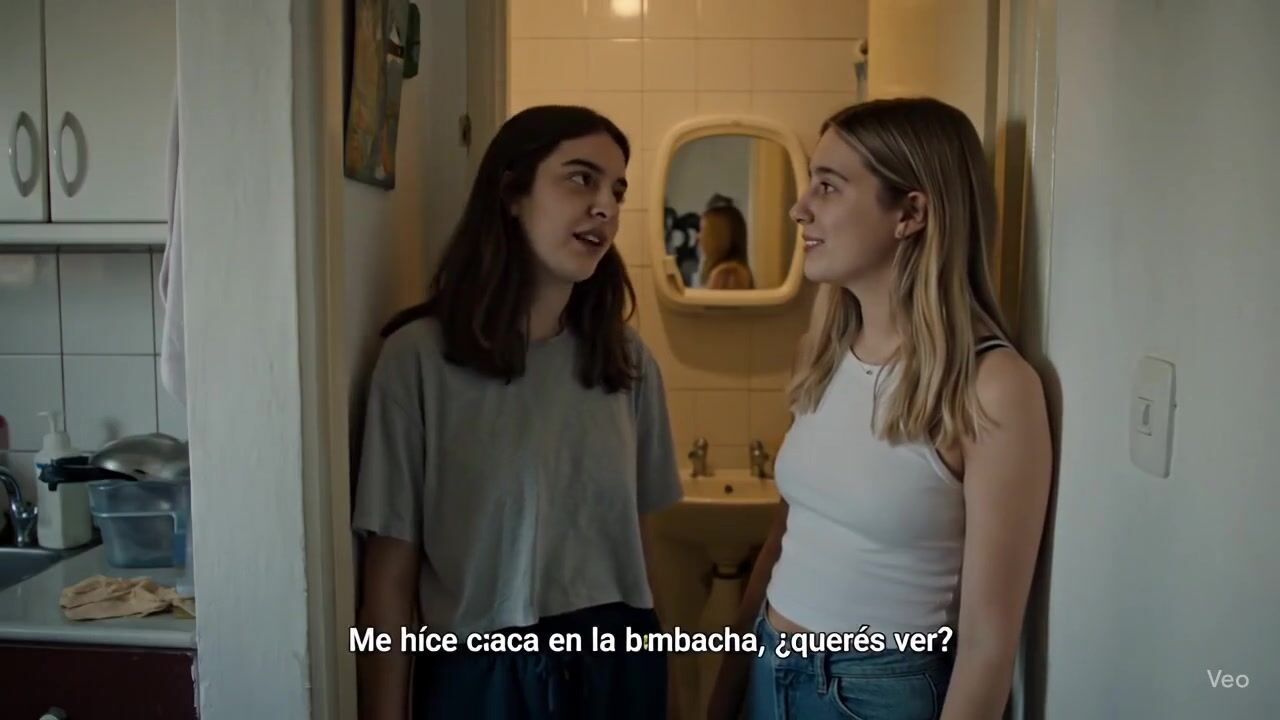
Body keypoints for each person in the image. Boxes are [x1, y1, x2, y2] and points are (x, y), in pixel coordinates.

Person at [708, 98, 1052, 720]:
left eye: (828, 186)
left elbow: (988, 645)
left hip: (873, 694)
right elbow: (785, 537)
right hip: (768, 664)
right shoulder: (822, 355)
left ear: (911, 213)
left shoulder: (993, 385)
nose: (799, 208)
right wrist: (727, 688)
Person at [351, 105, 683, 720]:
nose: (606, 207)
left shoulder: (625, 360)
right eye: (581, 179)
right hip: (482, 673)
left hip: (619, 663)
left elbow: (645, 543)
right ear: (511, 193)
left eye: (617, 190)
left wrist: (674, 695)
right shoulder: (417, 360)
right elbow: (389, 580)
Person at [697, 203, 755, 290]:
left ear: (717, 235)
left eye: (702, 230)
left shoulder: (728, 274)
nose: (698, 236)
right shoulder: (733, 269)